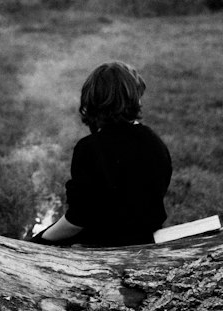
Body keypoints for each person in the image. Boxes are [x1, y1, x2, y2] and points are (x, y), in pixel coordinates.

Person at [31, 61, 171, 247]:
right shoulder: (153, 141)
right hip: (149, 241)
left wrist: (37, 241)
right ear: (134, 99)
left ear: (92, 101)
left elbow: (76, 221)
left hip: (103, 247)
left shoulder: (89, 148)